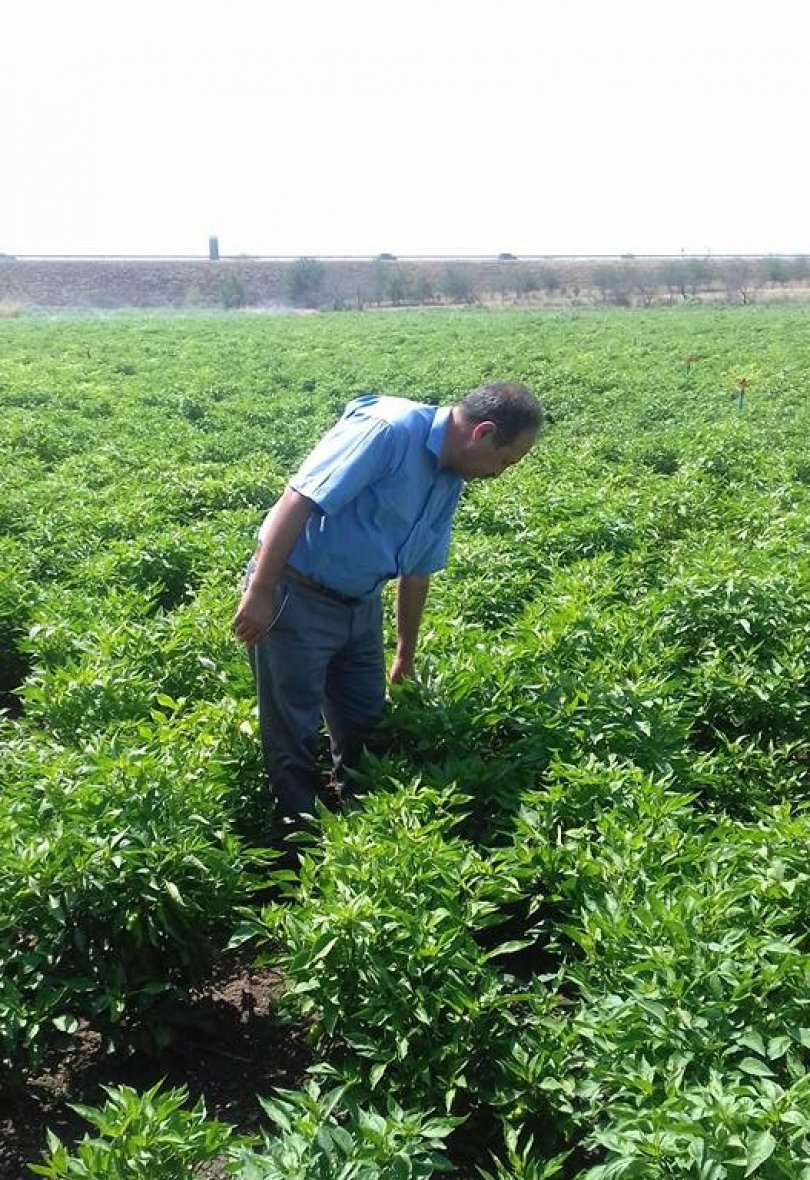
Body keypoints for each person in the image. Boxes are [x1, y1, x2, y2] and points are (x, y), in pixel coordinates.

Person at [232, 381, 543, 822]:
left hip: (360, 603)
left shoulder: (450, 477)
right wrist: (261, 592)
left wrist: (405, 653)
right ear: (482, 432)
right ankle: (296, 841)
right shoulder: (388, 431)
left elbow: (417, 569)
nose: (500, 473)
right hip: (295, 593)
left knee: (366, 723)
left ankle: (364, 828)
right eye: (505, 460)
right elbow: (296, 499)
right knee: (293, 730)